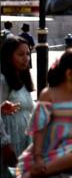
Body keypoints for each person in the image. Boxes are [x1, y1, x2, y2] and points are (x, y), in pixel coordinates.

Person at [16, 49, 72, 177]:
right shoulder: (49, 94)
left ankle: (42, 171)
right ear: (70, 74)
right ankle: (39, 169)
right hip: (50, 145)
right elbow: (40, 129)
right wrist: (37, 157)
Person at [0, 36, 34, 176]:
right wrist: (5, 144)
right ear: (8, 57)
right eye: (20, 54)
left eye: (28, 54)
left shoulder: (22, 78)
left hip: (23, 140)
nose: (26, 58)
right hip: (9, 141)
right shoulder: (2, 79)